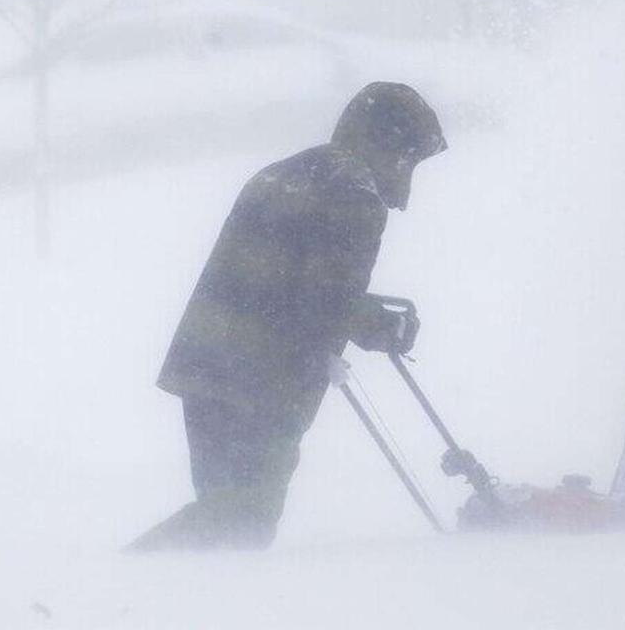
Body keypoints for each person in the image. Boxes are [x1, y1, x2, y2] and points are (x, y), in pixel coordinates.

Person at [128, 81, 447, 551]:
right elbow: (325, 299)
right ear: (388, 143)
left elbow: (293, 279)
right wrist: (385, 327)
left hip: (206, 366)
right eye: (409, 156)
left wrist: (364, 315)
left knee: (227, 514)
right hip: (262, 381)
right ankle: (123, 579)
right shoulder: (355, 193)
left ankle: (161, 598)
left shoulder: (287, 173)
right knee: (242, 522)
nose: (405, 175)